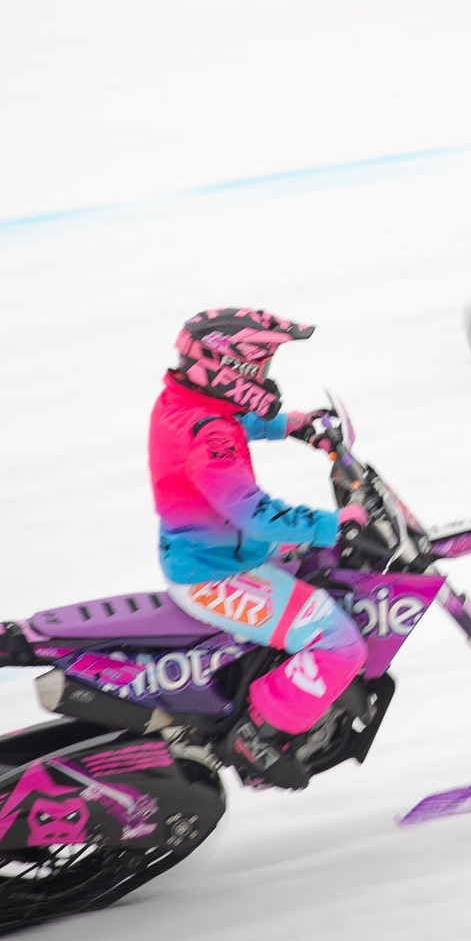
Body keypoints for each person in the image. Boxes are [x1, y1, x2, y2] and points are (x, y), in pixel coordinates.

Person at [149, 307, 369, 788]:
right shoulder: (210, 436)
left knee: (316, 571)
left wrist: (293, 424)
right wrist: (336, 524)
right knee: (338, 645)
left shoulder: (181, 402)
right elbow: (254, 513)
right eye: (262, 365)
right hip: (217, 574)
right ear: (234, 367)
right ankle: (260, 734)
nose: (266, 376)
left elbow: (234, 420)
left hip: (213, 552)